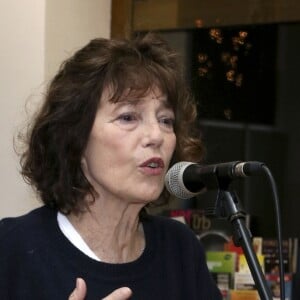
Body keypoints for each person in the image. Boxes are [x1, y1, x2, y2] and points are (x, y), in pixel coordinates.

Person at [0, 33, 222, 299]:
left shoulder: (181, 250)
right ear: (75, 138)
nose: (156, 136)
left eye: (165, 120)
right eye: (128, 117)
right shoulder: (12, 248)